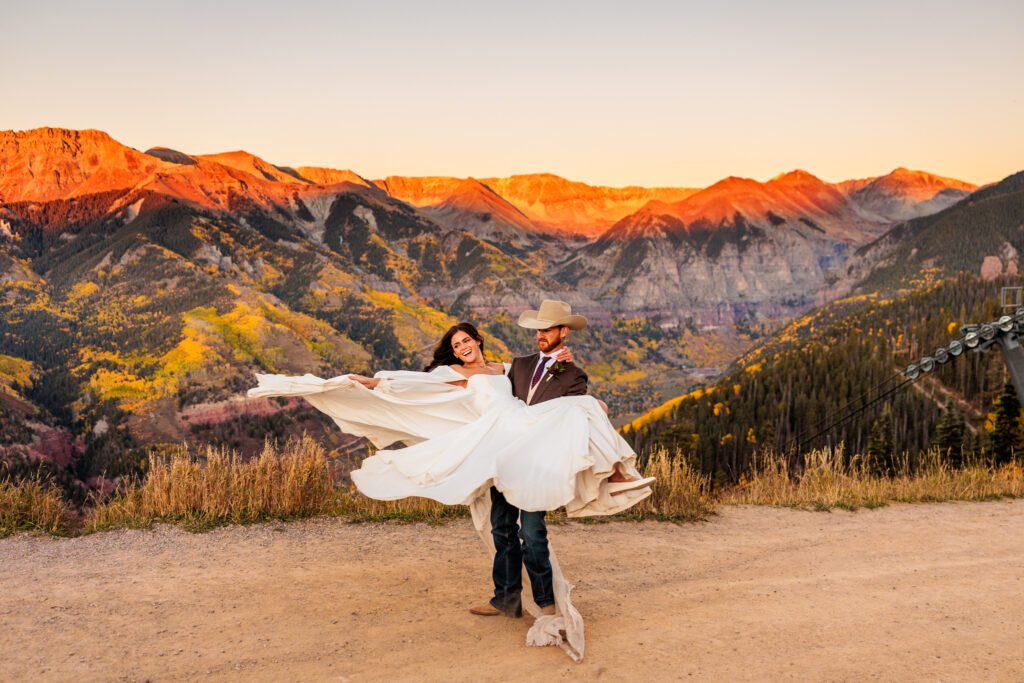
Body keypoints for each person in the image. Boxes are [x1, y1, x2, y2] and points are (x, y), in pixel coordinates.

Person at [247, 301, 653, 662]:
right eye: (456, 345)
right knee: (501, 527)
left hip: (525, 442)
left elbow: (545, 385)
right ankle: (507, 599)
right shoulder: (454, 373)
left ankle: (547, 600)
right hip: (495, 446)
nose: (463, 348)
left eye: (466, 341)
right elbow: (416, 383)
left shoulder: (507, 367)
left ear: (478, 341)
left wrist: (571, 376)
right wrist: (373, 382)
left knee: (535, 526)